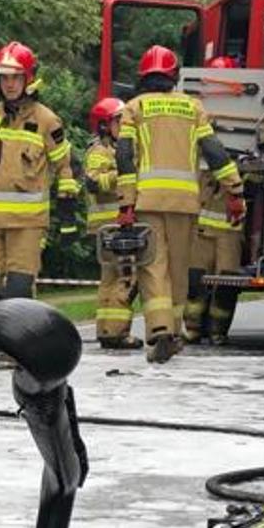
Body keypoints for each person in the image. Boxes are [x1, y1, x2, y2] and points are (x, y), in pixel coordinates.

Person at [115, 45, 242, 362]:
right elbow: (214, 152)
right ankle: (173, 331)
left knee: (152, 266)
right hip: (186, 201)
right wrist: (235, 191)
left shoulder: (134, 108)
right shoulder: (193, 107)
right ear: (173, 76)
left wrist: (126, 203)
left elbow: (124, 157)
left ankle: (158, 330)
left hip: (147, 200)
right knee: (179, 270)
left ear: (144, 76)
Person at [0, 41, 81, 299]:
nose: (9, 84)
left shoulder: (46, 120)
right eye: (3, 78)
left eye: (15, 77)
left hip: (27, 226)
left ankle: (19, 337)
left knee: (17, 291)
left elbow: (66, 168)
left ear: (28, 79)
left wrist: (67, 217)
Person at [84, 97, 173, 350]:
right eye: (117, 121)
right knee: (126, 277)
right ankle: (115, 333)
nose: (123, 126)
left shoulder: (115, 149)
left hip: (115, 225)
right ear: (103, 126)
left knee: (113, 279)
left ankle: (107, 330)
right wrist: (126, 173)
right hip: (111, 225)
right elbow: (93, 181)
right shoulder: (99, 151)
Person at [194, 164, 247, 344]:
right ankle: (195, 329)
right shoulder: (200, 167)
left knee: (225, 283)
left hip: (226, 232)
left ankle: (216, 331)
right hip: (206, 231)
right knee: (196, 280)